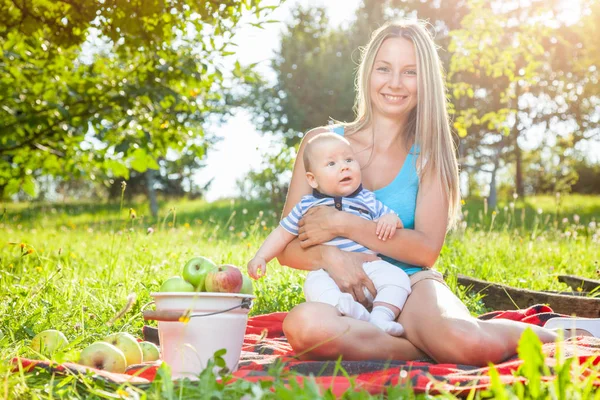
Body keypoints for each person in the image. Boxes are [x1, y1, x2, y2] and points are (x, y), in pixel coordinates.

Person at [276, 19, 599, 365]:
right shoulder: (320, 143)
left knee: (465, 344)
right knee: (306, 329)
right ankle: (423, 348)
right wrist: (330, 257)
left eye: (410, 72)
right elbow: (288, 246)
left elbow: (426, 249)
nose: (395, 83)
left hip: (411, 285)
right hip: (340, 288)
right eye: (385, 68)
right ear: (369, 72)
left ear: (425, 80)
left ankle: (560, 331)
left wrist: (342, 225)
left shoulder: (429, 153)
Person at [247, 132, 412, 336]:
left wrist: (389, 219)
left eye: (349, 160)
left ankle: (381, 317)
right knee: (314, 285)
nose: (344, 166)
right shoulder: (306, 206)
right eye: (331, 163)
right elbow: (282, 234)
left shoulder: (367, 200)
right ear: (312, 180)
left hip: (369, 267)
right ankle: (347, 310)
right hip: (326, 273)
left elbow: (391, 219)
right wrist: (261, 257)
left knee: (398, 278)